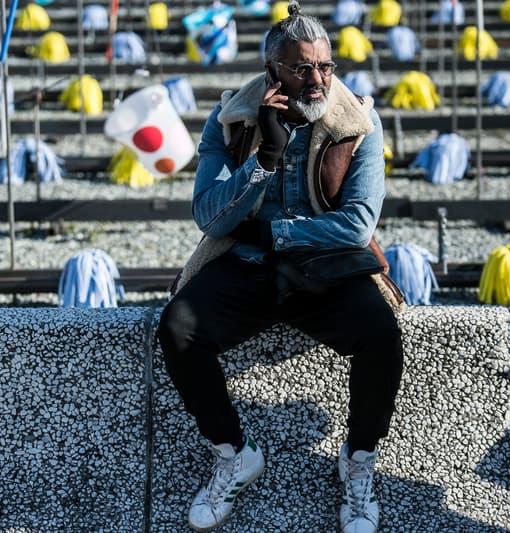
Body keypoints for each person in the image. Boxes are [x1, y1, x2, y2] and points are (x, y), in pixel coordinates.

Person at [156, 2, 404, 531]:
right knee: (178, 328)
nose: (317, 80)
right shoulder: (231, 116)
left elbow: (356, 224)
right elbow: (208, 217)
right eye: (302, 68)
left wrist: (275, 232)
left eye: (325, 66)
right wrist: (265, 156)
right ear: (273, 72)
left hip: (327, 268)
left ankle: (358, 461)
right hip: (246, 265)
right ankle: (233, 454)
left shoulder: (359, 118)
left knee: (381, 333)